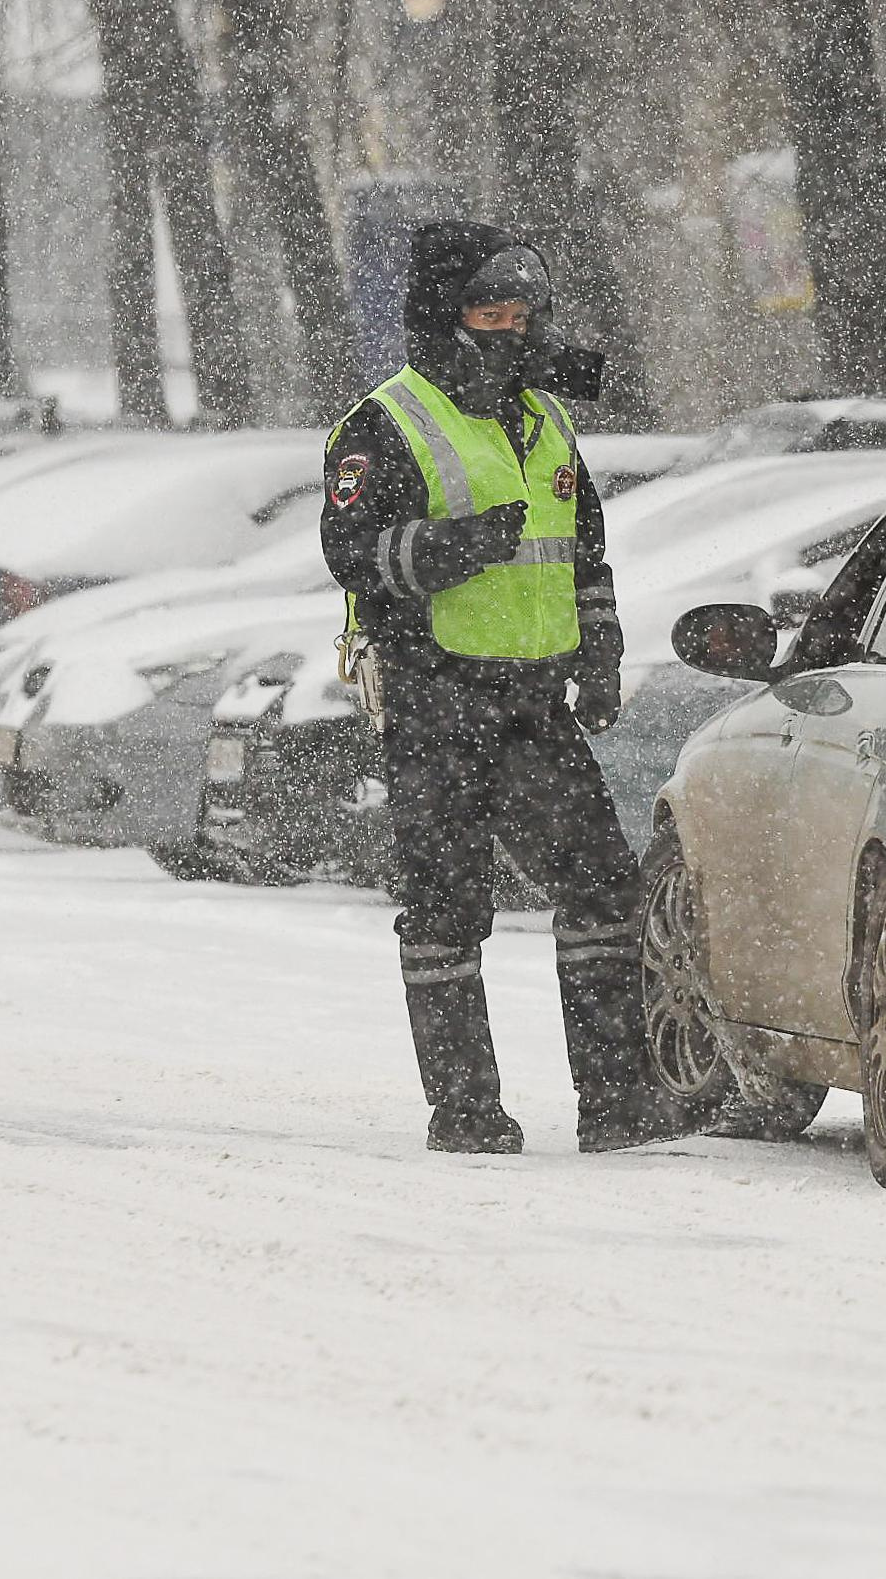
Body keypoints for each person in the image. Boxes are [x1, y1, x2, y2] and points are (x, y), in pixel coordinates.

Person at [318, 220, 681, 1155]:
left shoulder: (548, 418)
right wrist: (445, 549)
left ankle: (615, 1101)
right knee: (446, 911)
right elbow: (350, 554)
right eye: (492, 312)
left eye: (525, 313)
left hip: (533, 705)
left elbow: (583, 554)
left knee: (603, 889)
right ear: (445, 319)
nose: (513, 331)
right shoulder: (382, 422)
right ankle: (464, 1109)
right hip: (436, 702)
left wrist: (597, 652)